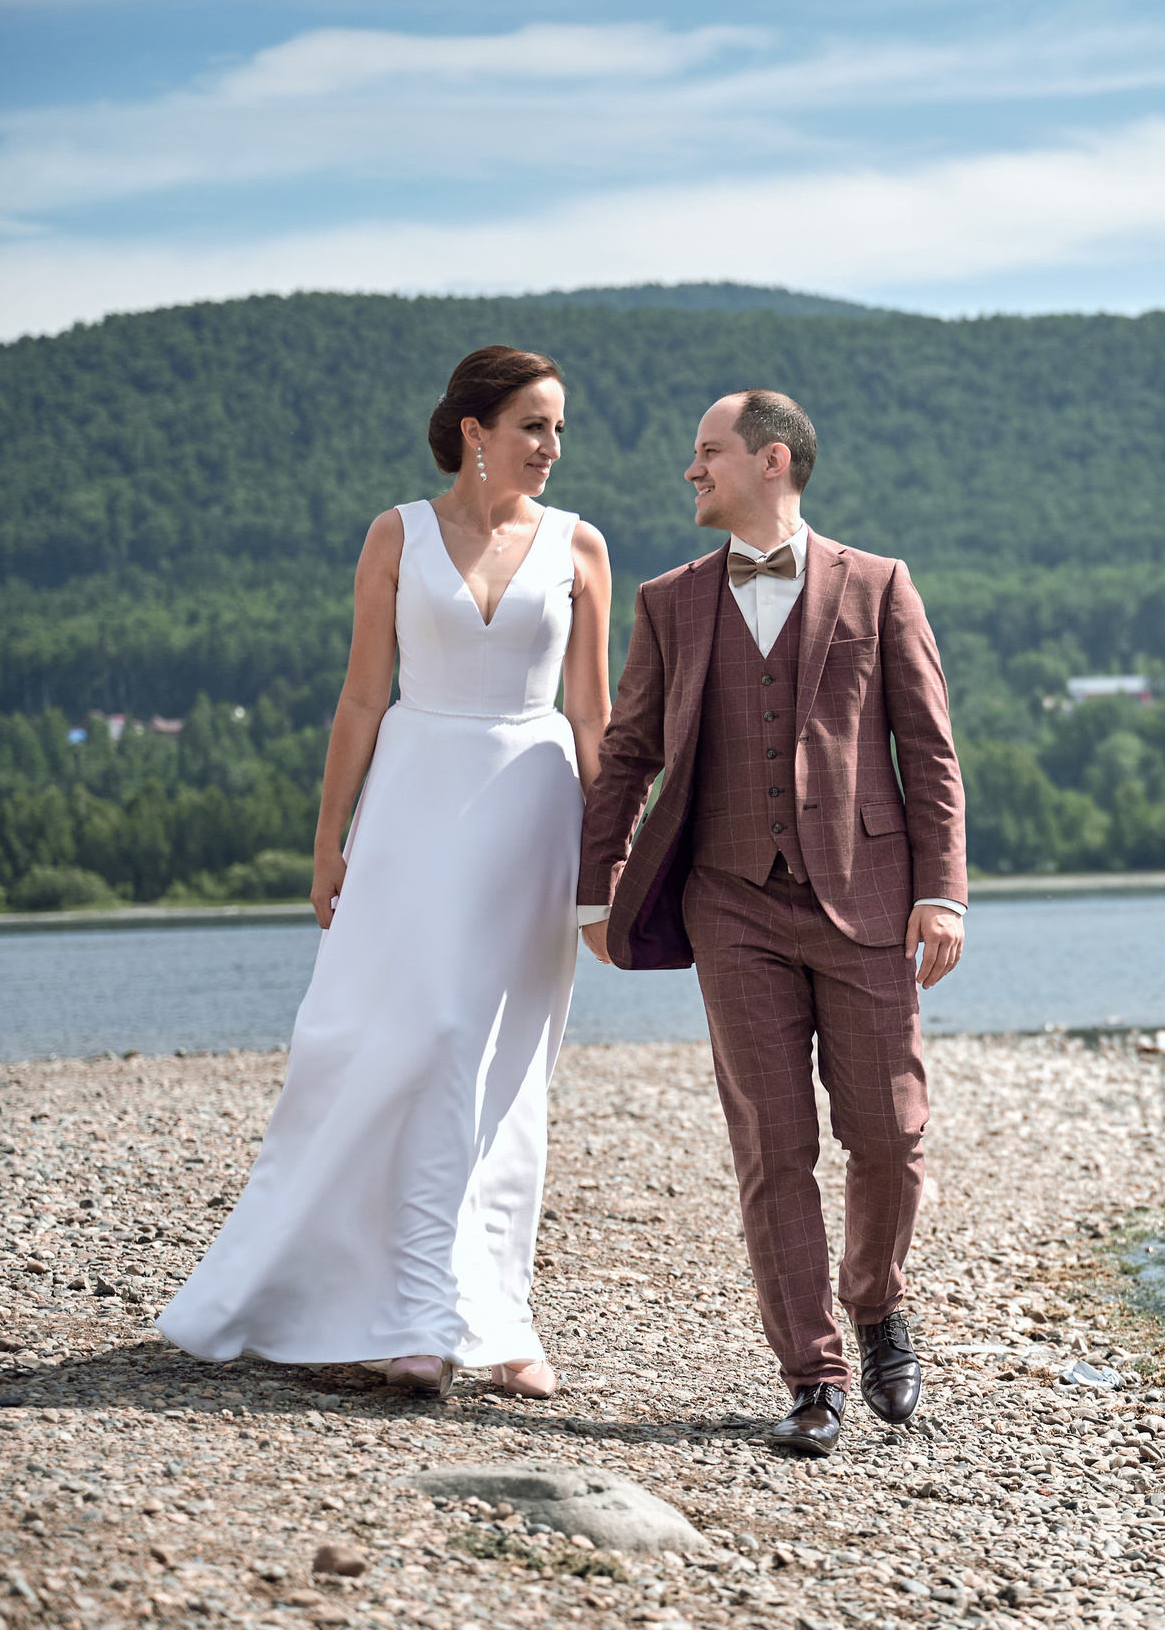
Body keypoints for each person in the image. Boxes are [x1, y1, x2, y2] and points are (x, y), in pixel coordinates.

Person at [157, 346, 613, 1400]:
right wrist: (331, 840)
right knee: (419, 1038)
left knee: (505, 1066)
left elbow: (594, 718)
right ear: (474, 433)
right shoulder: (396, 535)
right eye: (534, 427)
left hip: (534, 814)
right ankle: (407, 1310)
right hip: (413, 806)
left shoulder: (580, 547)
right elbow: (363, 698)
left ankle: (494, 1319)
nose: (552, 448)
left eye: (558, 430)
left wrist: (613, 851)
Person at [578, 388, 965, 1456]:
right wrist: (592, 886)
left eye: (707, 453)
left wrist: (943, 890)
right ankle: (814, 1377)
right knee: (771, 1146)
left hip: (868, 901)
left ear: (773, 462)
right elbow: (629, 752)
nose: (691, 472)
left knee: (889, 1132)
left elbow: (927, 752)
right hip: (729, 901)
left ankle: (876, 1298)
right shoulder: (668, 601)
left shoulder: (879, 587)